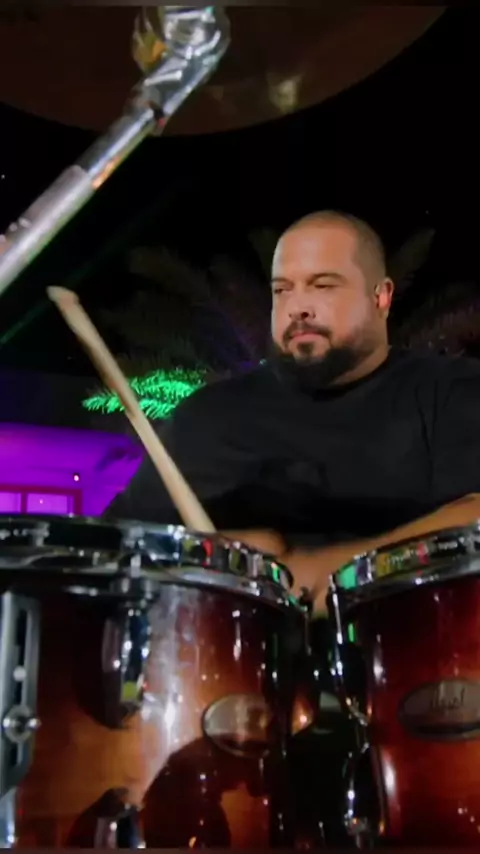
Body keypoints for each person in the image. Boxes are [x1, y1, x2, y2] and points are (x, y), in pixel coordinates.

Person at [106, 210, 480, 610]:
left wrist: (313, 574)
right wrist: (225, 562)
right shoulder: (207, 416)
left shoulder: (452, 391)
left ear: (381, 297)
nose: (298, 306)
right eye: (282, 290)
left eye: (323, 286)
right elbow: (124, 546)